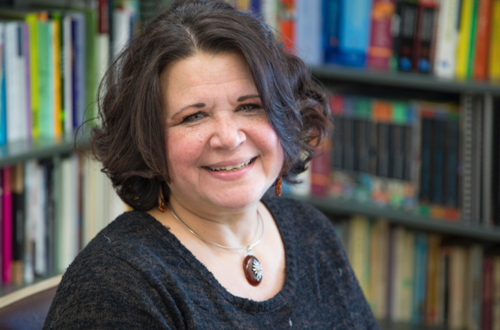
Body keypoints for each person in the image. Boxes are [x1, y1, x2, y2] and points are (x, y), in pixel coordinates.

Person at [44, 0, 379, 329]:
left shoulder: (311, 231)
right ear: (147, 140)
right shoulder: (116, 285)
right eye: (194, 116)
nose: (228, 138)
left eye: (249, 106)